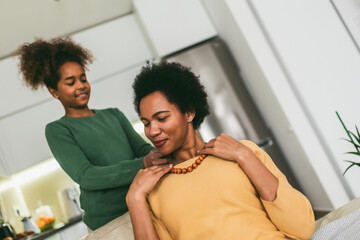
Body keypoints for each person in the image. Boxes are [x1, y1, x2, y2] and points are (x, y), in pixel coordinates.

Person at [126, 61, 315, 240]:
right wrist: (135, 199)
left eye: (162, 118)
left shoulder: (242, 153)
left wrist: (243, 155)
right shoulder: (153, 188)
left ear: (189, 113)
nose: (152, 131)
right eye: (146, 123)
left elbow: (301, 227)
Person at [15, 38, 168, 230]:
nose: (80, 85)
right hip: (108, 222)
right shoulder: (58, 130)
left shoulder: (114, 115)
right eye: (71, 82)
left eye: (83, 78)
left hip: (146, 205)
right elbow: (86, 176)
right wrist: (143, 163)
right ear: (54, 92)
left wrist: (163, 153)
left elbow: (143, 150)